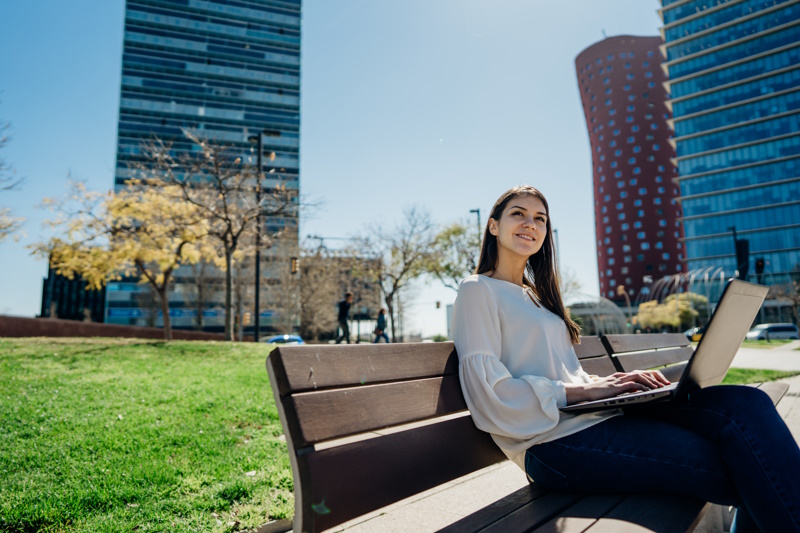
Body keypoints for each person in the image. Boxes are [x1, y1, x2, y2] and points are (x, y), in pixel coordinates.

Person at [451, 185, 800, 532]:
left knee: (746, 402)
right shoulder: (478, 289)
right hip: (550, 444)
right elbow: (489, 394)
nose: (531, 224)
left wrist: (610, 385)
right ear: (493, 226)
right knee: (752, 465)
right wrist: (584, 393)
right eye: (518, 214)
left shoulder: (538, 298)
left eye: (539, 218)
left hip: (597, 418)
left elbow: (565, 374)